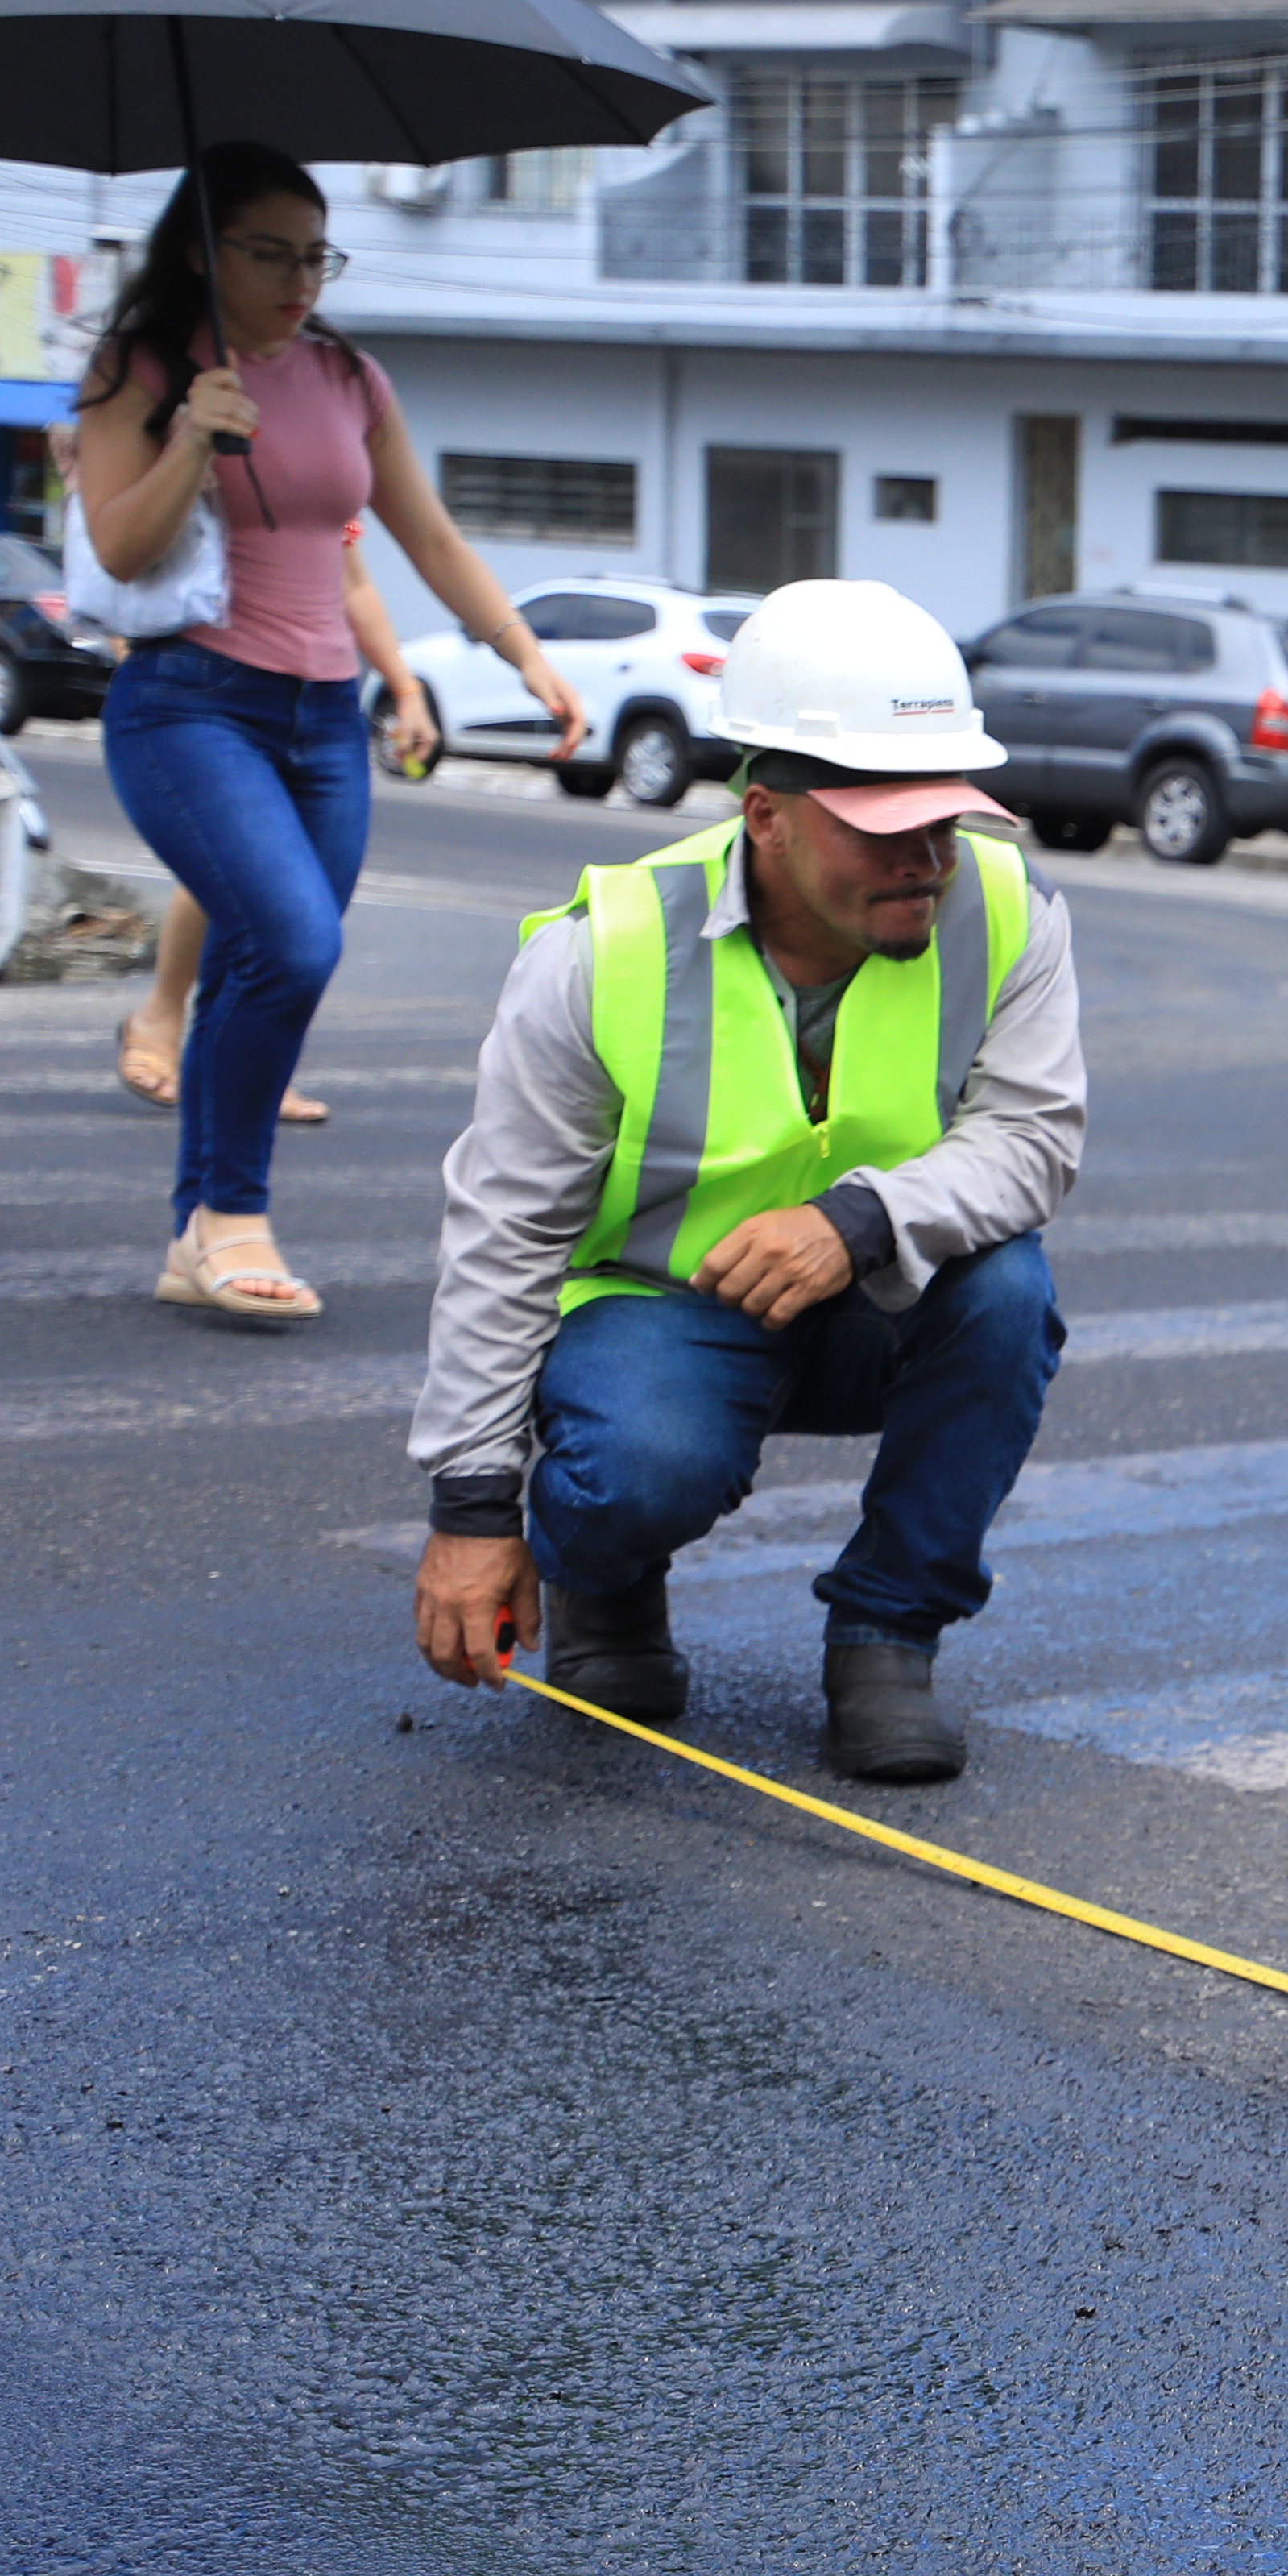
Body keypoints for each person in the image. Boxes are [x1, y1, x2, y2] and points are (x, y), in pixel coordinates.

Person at [407, 580, 1083, 1784]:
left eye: (947, 819)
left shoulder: (1007, 911)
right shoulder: (603, 953)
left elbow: (1033, 1138)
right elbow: (504, 1234)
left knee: (1005, 1294)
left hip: (871, 1291)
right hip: (657, 1312)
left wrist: (862, 1218)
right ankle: (607, 1587)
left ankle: (887, 1636)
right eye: (885, 826)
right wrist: (472, 1516)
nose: (928, 859)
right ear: (765, 816)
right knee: (634, 1473)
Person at [67, 142, 579, 1325]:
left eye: (318, 255)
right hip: (188, 704)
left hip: (323, 720)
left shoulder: (348, 375)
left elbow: (428, 535)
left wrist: (525, 655)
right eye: (272, 255)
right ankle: (233, 1215)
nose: (304, 280)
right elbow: (119, 549)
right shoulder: (139, 368)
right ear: (202, 253)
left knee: (261, 966)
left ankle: (200, 1230)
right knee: (291, 947)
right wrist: (191, 435)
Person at [115, 542, 442, 1121]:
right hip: (209, 692)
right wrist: (137, 657)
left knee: (299, 910)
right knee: (238, 867)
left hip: (317, 702)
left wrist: (406, 689)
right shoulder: (208, 456)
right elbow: (134, 550)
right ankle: (162, 1016)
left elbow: (352, 583)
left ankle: (254, 1063)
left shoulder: (325, 471)